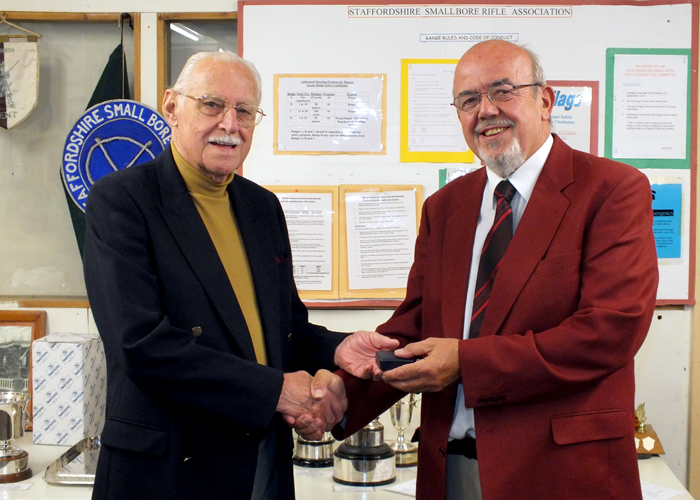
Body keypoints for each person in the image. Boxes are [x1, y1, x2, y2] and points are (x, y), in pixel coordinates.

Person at [337, 40, 659, 500]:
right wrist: (339, 393)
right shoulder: (444, 207)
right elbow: (415, 328)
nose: (485, 110)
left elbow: (611, 330)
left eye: (502, 91)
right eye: (468, 100)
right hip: (449, 471)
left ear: (544, 101)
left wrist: (466, 363)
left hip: (563, 474)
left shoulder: (612, 190)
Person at [83, 51, 396, 500]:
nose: (230, 123)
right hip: (168, 472)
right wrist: (276, 392)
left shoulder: (261, 207)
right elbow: (142, 346)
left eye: (245, 110)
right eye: (212, 104)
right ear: (172, 107)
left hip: (260, 462)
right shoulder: (123, 201)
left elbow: (285, 332)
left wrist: (337, 348)